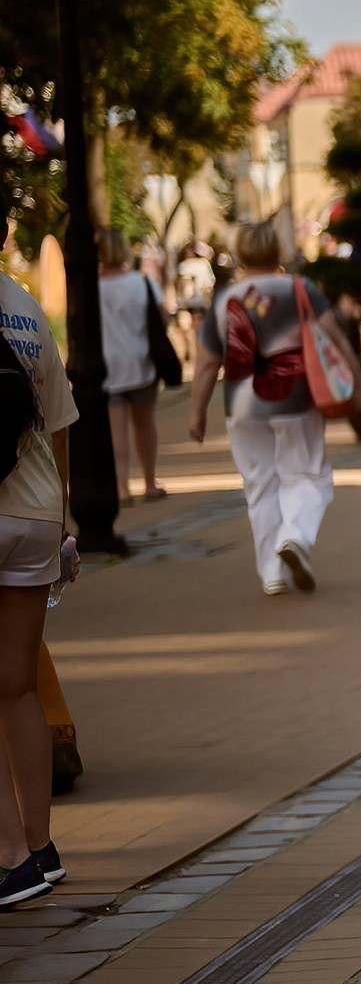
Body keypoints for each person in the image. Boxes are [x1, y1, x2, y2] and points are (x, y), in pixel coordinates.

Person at [190, 217, 357, 596]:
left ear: (241, 253)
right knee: (307, 474)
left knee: (261, 485)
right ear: (277, 251)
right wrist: (356, 378)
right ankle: (296, 537)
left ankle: (273, 574)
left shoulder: (224, 301)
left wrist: (197, 412)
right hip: (297, 398)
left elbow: (205, 364)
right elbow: (336, 338)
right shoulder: (301, 288)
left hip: (243, 407)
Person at [0, 211, 78, 904]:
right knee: (18, 685)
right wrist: (65, 518)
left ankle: (8, 856)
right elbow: (59, 426)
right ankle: (42, 844)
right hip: (33, 513)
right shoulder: (26, 308)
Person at [96, 228, 169, 503]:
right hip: (142, 364)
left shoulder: (92, 288)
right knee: (145, 424)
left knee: (117, 432)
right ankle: (149, 483)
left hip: (109, 368)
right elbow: (162, 318)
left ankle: (122, 488)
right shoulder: (143, 283)